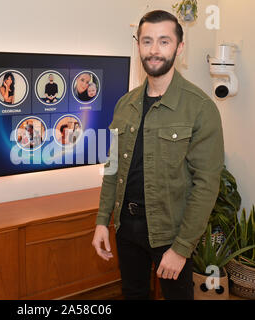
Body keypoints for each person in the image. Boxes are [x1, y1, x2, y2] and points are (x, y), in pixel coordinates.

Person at [92, 10, 224, 300]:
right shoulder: (124, 105)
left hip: (171, 234)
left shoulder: (200, 108)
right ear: (137, 45)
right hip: (127, 229)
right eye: (147, 41)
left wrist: (181, 248)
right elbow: (112, 167)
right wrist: (103, 220)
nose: (154, 50)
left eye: (164, 41)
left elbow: (206, 184)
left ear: (179, 47)